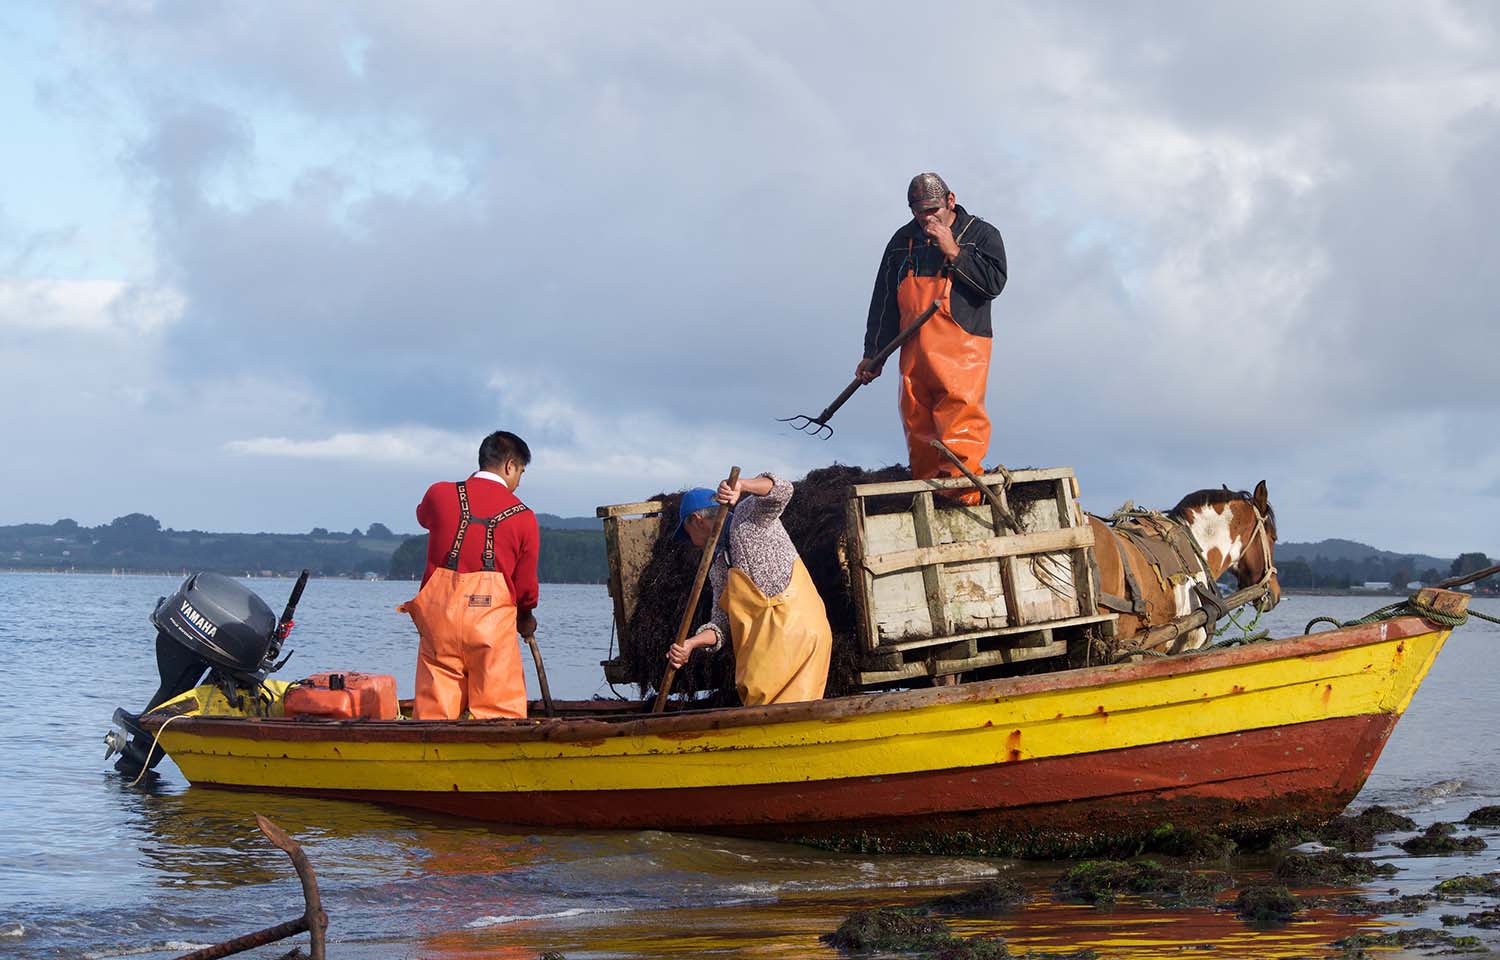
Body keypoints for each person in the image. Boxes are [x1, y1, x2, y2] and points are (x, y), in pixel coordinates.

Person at [857, 172, 1008, 504]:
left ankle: (965, 502)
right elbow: (884, 302)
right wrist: (874, 354)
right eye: (919, 211)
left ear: (950, 200)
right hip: (913, 354)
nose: (926, 218)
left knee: (959, 423)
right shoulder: (900, 242)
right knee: (917, 425)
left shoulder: (981, 235)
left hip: (963, 353)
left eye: (933, 209)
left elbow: (994, 285)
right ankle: (929, 499)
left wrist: (954, 251)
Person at [399, 430, 540, 719]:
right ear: (510, 466)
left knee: (434, 714)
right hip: (491, 628)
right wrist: (525, 617)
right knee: (498, 715)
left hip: (440, 622)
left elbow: (423, 515)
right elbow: (525, 587)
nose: (517, 482)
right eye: (521, 473)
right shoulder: (524, 517)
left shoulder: (439, 493)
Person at [666, 472, 832, 706]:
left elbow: (783, 490)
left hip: (798, 633)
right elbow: (721, 624)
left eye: (687, 533)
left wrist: (743, 485)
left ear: (696, 520)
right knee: (759, 699)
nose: (691, 542)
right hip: (768, 646)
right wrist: (690, 645)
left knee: (783, 709)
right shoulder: (719, 567)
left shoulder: (747, 516)